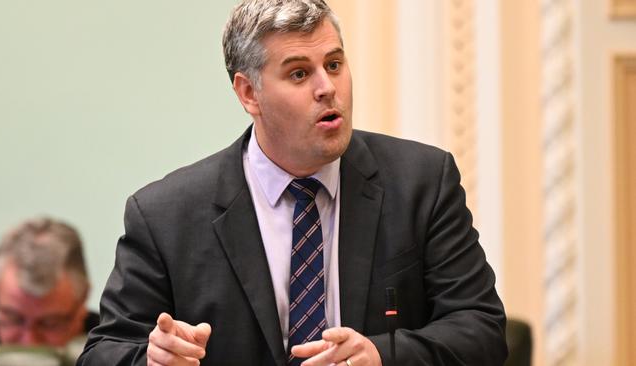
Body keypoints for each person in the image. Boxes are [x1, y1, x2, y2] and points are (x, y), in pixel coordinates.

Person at [78, 0, 507, 365]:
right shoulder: (165, 215)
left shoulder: (421, 182)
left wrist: (382, 356)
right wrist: (151, 359)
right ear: (249, 94)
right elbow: (103, 350)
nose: (327, 88)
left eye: (334, 65)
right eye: (299, 74)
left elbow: (482, 330)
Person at [0, 217, 98, 347]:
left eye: (51, 324)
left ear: (83, 299)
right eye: (13, 320)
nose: (29, 343)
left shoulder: (118, 355)